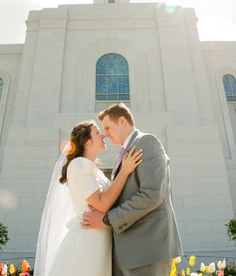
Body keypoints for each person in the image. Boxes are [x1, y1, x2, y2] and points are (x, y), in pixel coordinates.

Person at [83, 103, 183, 276]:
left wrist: (107, 220)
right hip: (125, 251)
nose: (105, 134)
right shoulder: (122, 154)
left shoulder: (146, 142)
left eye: (108, 127)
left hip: (147, 251)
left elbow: (151, 195)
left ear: (122, 121)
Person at [33, 120, 143, 276]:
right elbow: (102, 204)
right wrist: (124, 172)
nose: (103, 135)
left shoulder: (92, 169)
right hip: (87, 240)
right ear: (86, 142)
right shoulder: (79, 165)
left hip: (98, 238)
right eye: (97, 133)